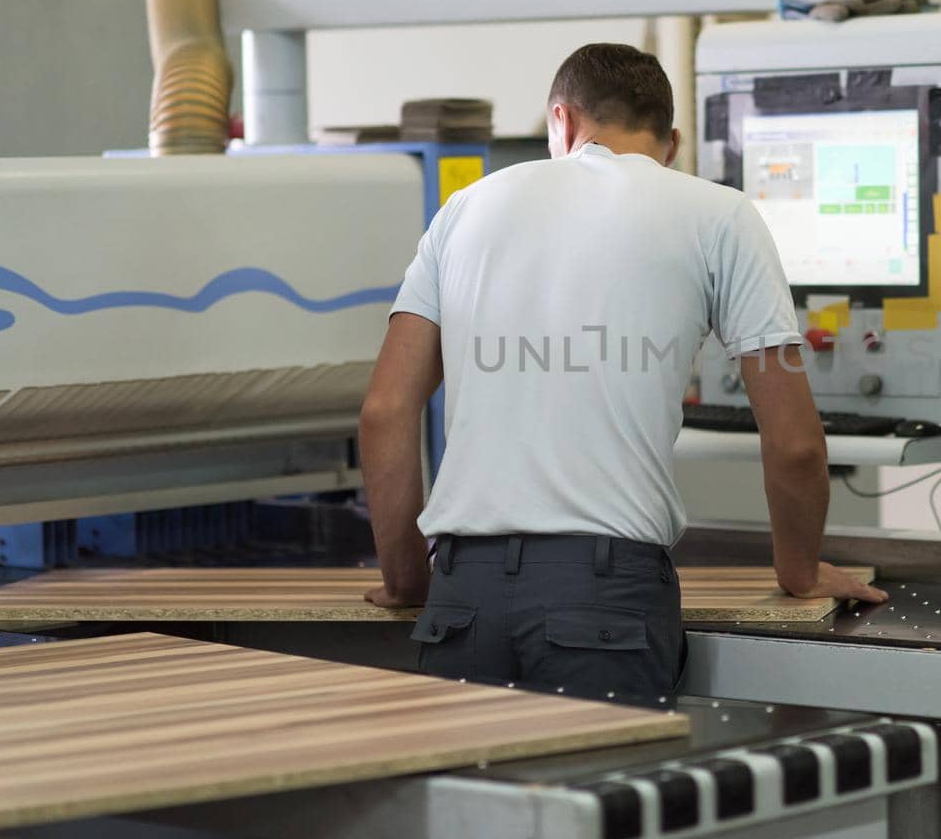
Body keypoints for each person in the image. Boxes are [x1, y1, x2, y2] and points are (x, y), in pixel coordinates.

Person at [358, 43, 886, 705]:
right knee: (600, 805)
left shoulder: (466, 209)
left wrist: (407, 580)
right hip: (605, 600)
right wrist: (799, 572)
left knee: (478, 807)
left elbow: (384, 412)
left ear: (562, 120)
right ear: (672, 140)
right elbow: (798, 443)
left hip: (464, 598)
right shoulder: (718, 214)